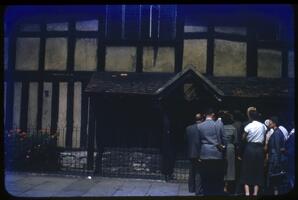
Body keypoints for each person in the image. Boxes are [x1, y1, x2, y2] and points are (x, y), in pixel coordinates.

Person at [196, 108, 226, 195]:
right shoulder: (219, 124)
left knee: (205, 175)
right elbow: (224, 138)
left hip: (204, 153)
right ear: (213, 115)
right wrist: (224, 147)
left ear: (205, 115)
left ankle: (206, 192)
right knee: (216, 175)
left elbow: (198, 142)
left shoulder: (200, 126)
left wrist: (199, 155)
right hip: (217, 153)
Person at [239, 109, 266, 196]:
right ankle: (255, 193)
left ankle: (247, 192)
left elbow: (243, 138)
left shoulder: (248, 126)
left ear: (250, 116)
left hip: (250, 148)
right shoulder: (263, 126)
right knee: (258, 170)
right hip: (259, 149)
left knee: (247, 169)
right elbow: (265, 137)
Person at [267, 117, 287, 195]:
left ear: (274, 123)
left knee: (273, 177)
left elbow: (278, 148)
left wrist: (277, 161)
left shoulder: (277, 133)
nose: (269, 124)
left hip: (275, 158)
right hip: (274, 157)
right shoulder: (276, 132)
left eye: (270, 122)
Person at [186, 113, 205, 195]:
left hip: (191, 152)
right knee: (198, 172)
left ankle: (191, 188)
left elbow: (186, 140)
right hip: (200, 153)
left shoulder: (188, 128)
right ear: (202, 119)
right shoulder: (203, 128)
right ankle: (198, 190)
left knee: (191, 171)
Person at [222, 112, 237, 194]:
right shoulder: (234, 128)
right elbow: (236, 141)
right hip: (231, 148)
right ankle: (229, 186)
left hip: (223, 148)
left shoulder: (221, 128)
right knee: (230, 167)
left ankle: (224, 185)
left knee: (223, 166)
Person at [232, 110, 246, 195]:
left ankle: (233, 189)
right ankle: (238, 190)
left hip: (234, 150)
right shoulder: (242, 125)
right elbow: (242, 140)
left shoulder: (233, 125)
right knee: (239, 171)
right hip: (240, 151)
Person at [285, 121, 295, 190]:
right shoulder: (292, 132)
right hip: (291, 154)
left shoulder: (293, 133)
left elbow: (289, 143)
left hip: (291, 154)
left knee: (291, 172)